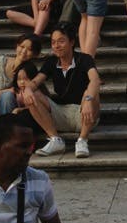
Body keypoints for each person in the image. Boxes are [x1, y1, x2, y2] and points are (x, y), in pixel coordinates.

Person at [17, 24, 100, 159]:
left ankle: (82, 140)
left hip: (85, 113)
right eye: (53, 42)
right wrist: (28, 90)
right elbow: (36, 82)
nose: (56, 46)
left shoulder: (85, 59)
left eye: (61, 41)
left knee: (90, 92)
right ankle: (55, 139)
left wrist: (89, 99)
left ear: (72, 42)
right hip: (60, 112)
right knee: (34, 94)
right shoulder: (51, 62)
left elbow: (95, 80)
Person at [0, 35, 42, 134]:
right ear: (17, 46)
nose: (23, 51)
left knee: (7, 96)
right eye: (22, 47)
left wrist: (4, 91)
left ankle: (4, 132)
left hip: (8, 109)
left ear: (35, 54)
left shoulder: (29, 71)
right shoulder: (0, 61)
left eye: (29, 49)